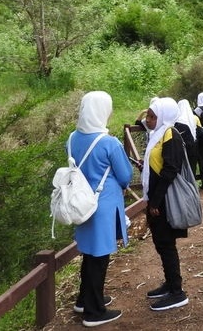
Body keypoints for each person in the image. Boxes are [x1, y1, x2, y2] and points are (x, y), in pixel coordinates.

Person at [70, 91, 133, 327]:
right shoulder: (109, 143)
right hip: (102, 206)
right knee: (99, 258)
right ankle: (94, 312)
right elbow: (126, 175)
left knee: (89, 254)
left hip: (81, 203)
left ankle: (84, 299)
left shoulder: (72, 138)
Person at [141, 97, 190, 311]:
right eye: (149, 116)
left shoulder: (171, 135)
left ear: (163, 116)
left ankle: (177, 292)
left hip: (165, 201)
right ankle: (170, 283)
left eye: (152, 116)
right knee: (161, 243)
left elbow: (170, 169)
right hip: (157, 199)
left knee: (166, 243)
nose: (148, 120)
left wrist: (156, 201)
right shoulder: (158, 135)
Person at [176, 99, 201, 177]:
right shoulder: (193, 118)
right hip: (193, 145)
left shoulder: (177, 121)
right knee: (192, 168)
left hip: (181, 148)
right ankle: (192, 186)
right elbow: (199, 131)